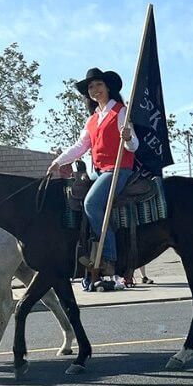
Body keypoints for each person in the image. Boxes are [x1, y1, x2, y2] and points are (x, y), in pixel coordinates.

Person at [47, 68, 139, 276]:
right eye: (90, 87)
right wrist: (59, 161)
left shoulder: (120, 111)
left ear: (108, 87)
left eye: (98, 84)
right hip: (97, 171)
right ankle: (87, 247)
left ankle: (109, 257)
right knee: (73, 196)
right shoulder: (92, 120)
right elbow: (81, 146)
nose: (94, 89)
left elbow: (134, 146)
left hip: (118, 169)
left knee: (92, 203)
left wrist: (127, 138)